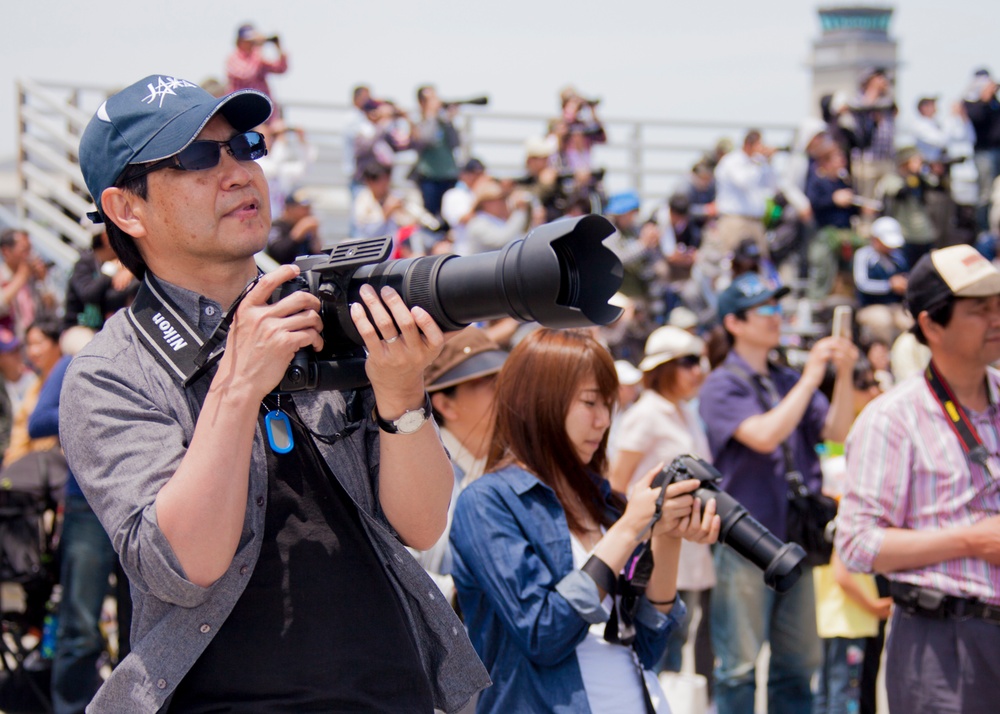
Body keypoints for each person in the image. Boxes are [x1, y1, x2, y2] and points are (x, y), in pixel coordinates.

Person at [67, 73, 488, 711]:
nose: (237, 173)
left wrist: (403, 395)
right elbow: (185, 561)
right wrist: (237, 387)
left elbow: (423, 524)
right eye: (197, 159)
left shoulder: (319, 316)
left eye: (245, 147)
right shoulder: (111, 370)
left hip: (392, 692)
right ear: (127, 209)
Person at [450, 328, 720, 713]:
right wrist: (629, 528)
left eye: (609, 404)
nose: (604, 421)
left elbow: (647, 644)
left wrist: (666, 535)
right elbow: (543, 634)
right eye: (590, 403)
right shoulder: (488, 502)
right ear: (538, 402)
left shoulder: (603, 501)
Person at [836, 244, 1000, 714]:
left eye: (998, 305)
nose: (995, 318)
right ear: (931, 323)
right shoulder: (892, 418)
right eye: (978, 309)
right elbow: (858, 545)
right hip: (943, 642)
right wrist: (970, 541)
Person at [698, 272, 857, 714]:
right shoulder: (721, 384)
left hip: (798, 537)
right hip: (747, 539)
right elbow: (764, 435)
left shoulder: (787, 378)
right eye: (765, 309)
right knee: (740, 666)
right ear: (734, 322)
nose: (776, 317)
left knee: (798, 663)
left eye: (777, 308)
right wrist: (811, 378)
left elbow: (837, 432)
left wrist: (841, 375)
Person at [609, 326, 716, 692]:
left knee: (677, 644)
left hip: (687, 549)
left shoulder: (683, 412)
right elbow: (617, 484)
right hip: (652, 555)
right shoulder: (646, 414)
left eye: (699, 361)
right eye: (688, 362)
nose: (698, 370)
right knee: (657, 654)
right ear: (664, 367)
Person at [63, 229, 136, 330]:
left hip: (111, 326)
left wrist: (132, 271)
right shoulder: (85, 262)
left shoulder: (127, 263)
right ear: (105, 237)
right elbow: (89, 294)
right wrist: (110, 270)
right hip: (80, 327)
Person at [853, 216, 911, 344]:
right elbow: (862, 283)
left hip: (896, 306)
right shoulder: (863, 256)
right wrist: (889, 285)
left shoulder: (899, 257)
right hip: (870, 306)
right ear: (875, 239)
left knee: (909, 323)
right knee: (883, 321)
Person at [409, 85, 460, 218]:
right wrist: (431, 115)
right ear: (421, 102)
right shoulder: (418, 122)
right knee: (431, 217)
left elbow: (456, 143)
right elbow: (427, 139)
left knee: (449, 216)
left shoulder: (443, 122)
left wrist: (449, 121)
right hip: (429, 178)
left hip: (448, 176)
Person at [0, 228, 57, 338]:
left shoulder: (34, 277)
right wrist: (21, 276)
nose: (29, 255)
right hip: (10, 346)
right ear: (6, 251)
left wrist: (43, 281)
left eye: (30, 249)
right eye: (24, 250)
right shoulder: (2, 276)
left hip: (37, 339)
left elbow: (52, 307)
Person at [225, 23, 288, 101]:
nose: (251, 44)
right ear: (239, 41)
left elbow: (281, 69)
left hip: (261, 106)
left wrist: (278, 48)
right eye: (249, 41)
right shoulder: (233, 59)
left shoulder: (257, 58)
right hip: (241, 106)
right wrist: (258, 48)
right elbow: (247, 74)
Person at [265, 188, 321, 265]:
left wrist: (315, 237)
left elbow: (317, 256)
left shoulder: (307, 231)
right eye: (304, 208)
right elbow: (278, 254)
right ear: (289, 208)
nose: (308, 212)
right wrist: (299, 232)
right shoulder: (277, 226)